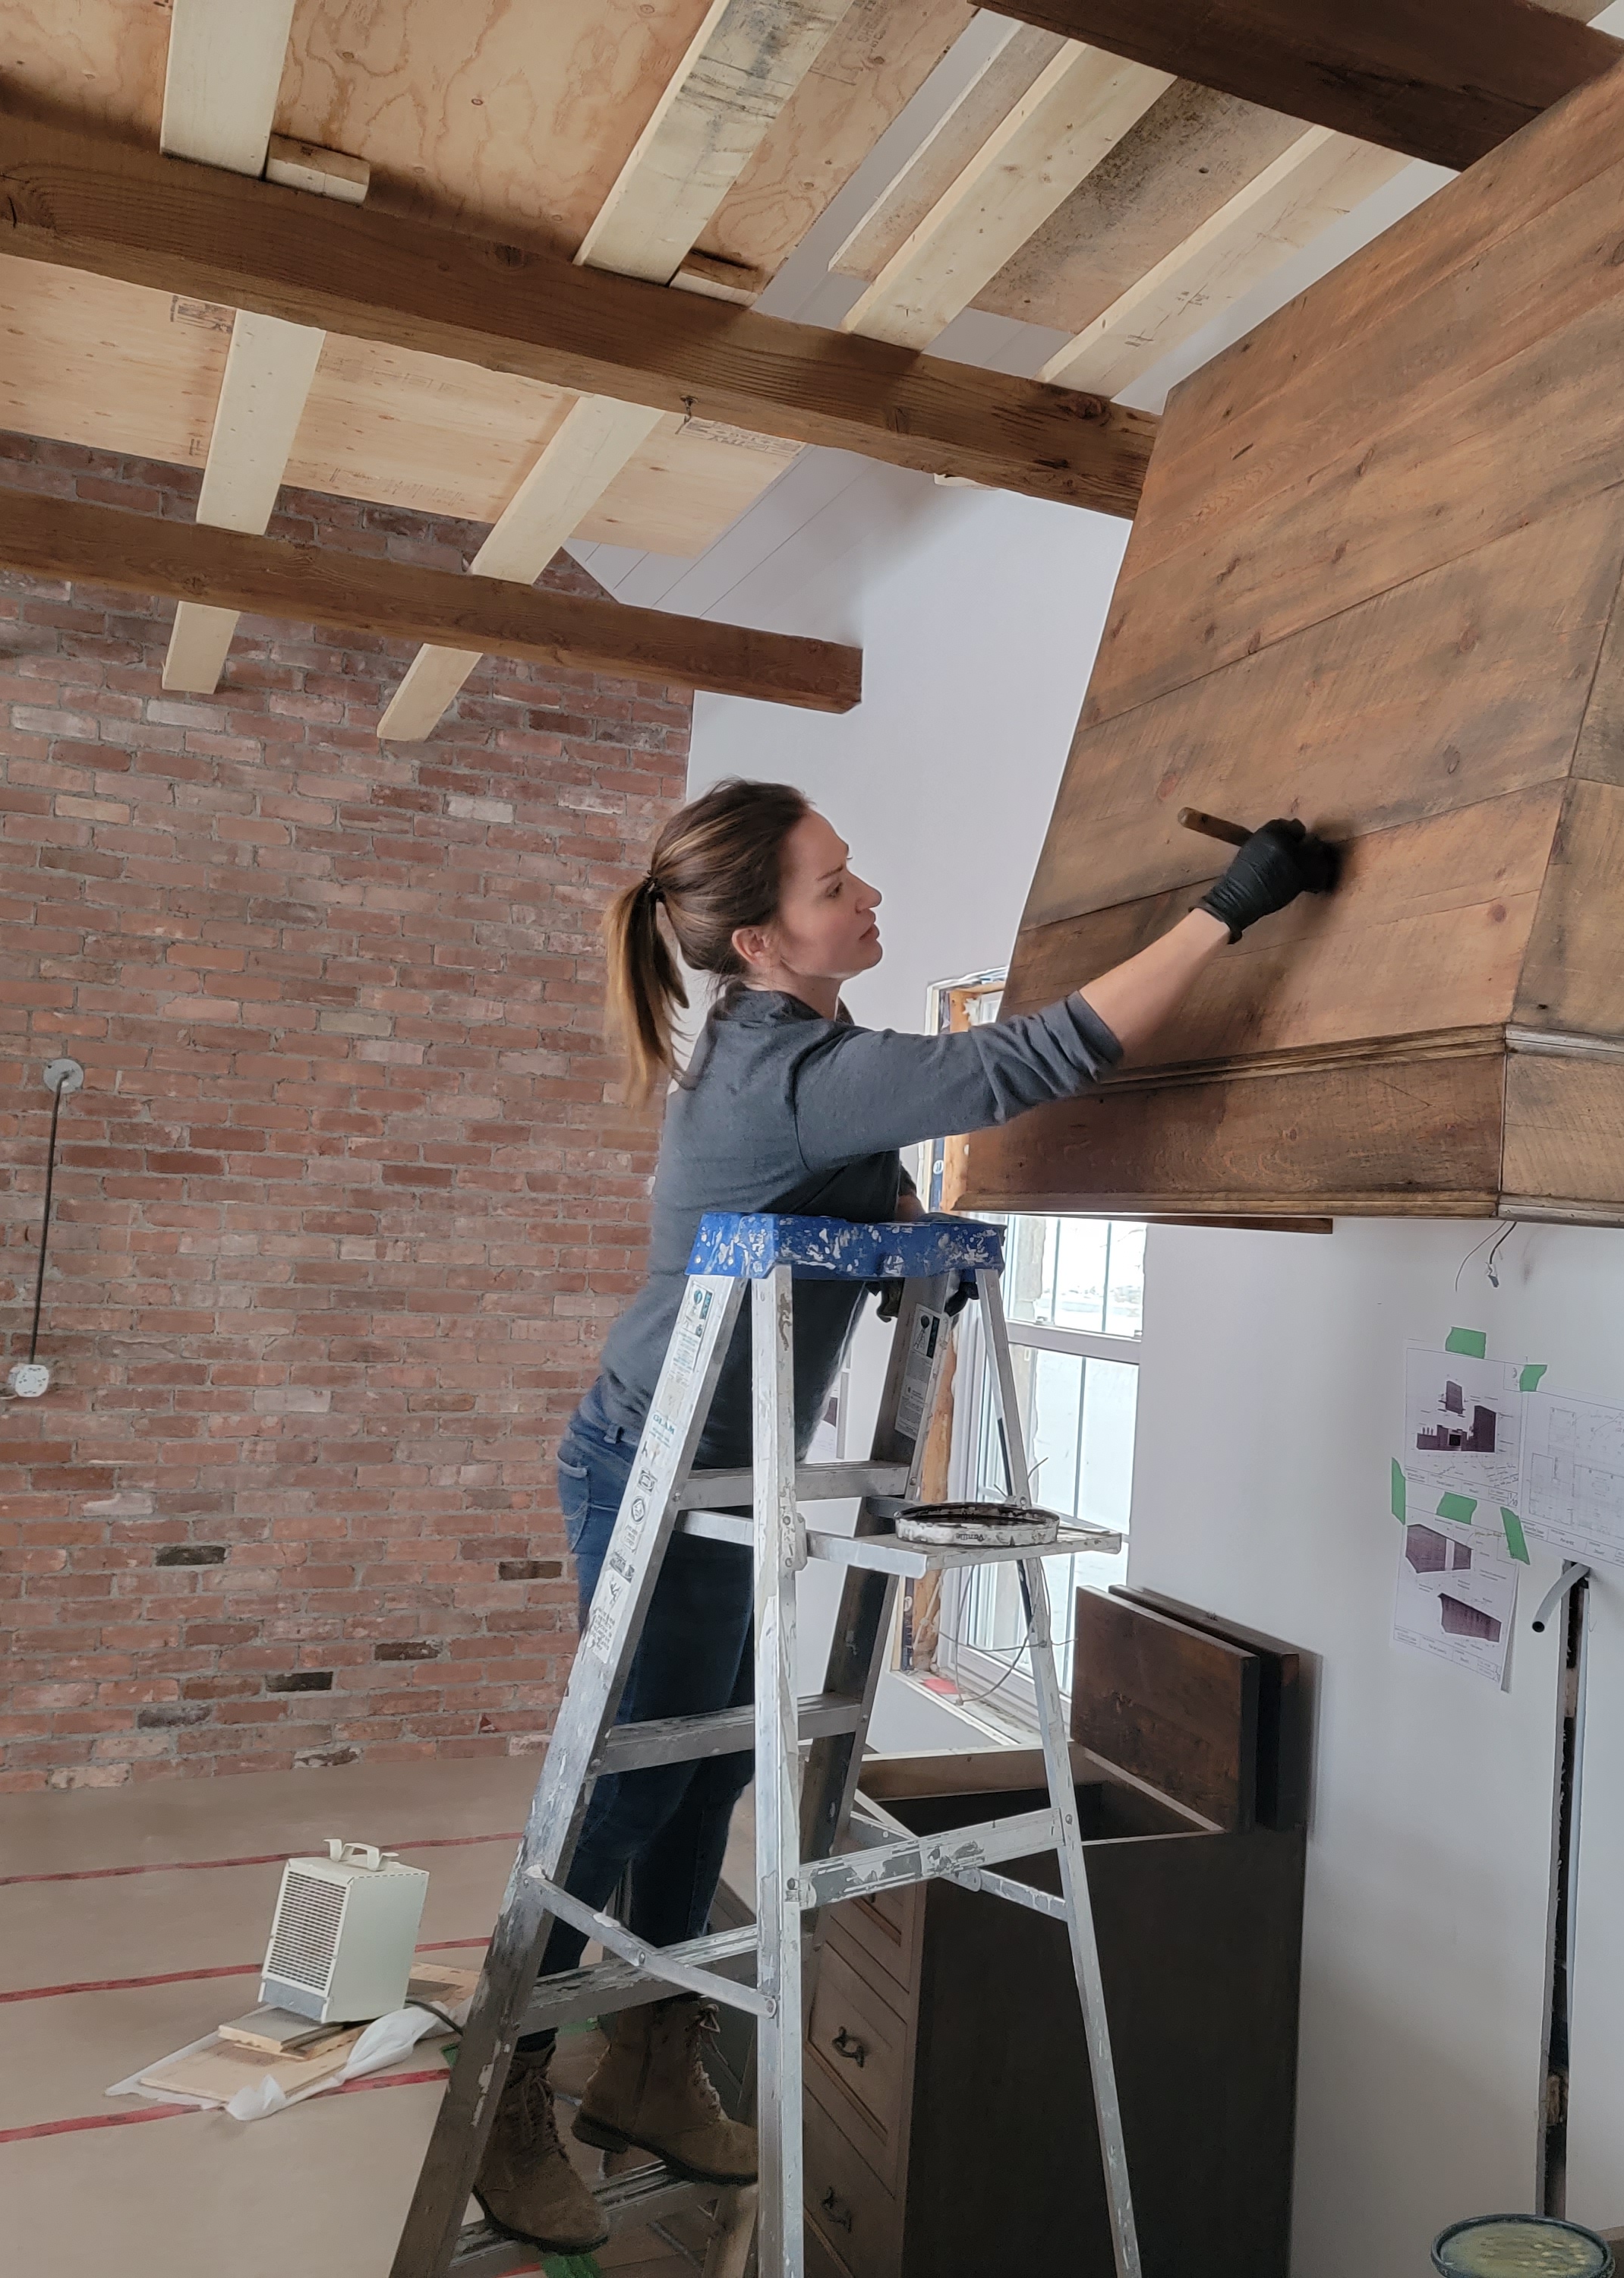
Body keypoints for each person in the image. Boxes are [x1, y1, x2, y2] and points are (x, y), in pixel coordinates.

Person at [475, 778, 1334, 2250]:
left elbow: (896, 1184)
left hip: (732, 1466)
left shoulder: (801, 1051)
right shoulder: (785, 1070)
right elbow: (1027, 1060)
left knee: (706, 1771)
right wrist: (1228, 913)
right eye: (832, 887)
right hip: (652, 1457)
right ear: (758, 943)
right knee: (633, 1783)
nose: (864, 900)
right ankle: (509, 2087)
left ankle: (654, 2065)